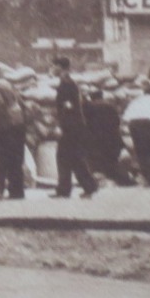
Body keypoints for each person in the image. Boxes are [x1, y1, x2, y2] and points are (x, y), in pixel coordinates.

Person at [52, 58, 98, 199]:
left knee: (68, 157)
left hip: (71, 127)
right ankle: (80, 187)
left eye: (55, 66)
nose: (53, 69)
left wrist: (62, 126)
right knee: (72, 157)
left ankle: (72, 188)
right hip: (74, 126)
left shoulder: (66, 84)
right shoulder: (67, 82)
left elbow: (68, 106)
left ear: (62, 68)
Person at [0, 60, 28, 200]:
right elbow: (20, 101)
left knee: (3, 158)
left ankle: (0, 189)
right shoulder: (6, 82)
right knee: (17, 158)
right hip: (19, 121)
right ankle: (17, 191)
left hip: (6, 124)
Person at [121, 80, 150, 187]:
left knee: (141, 151)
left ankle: (146, 176)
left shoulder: (136, 101)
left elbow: (126, 117)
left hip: (134, 124)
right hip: (146, 123)